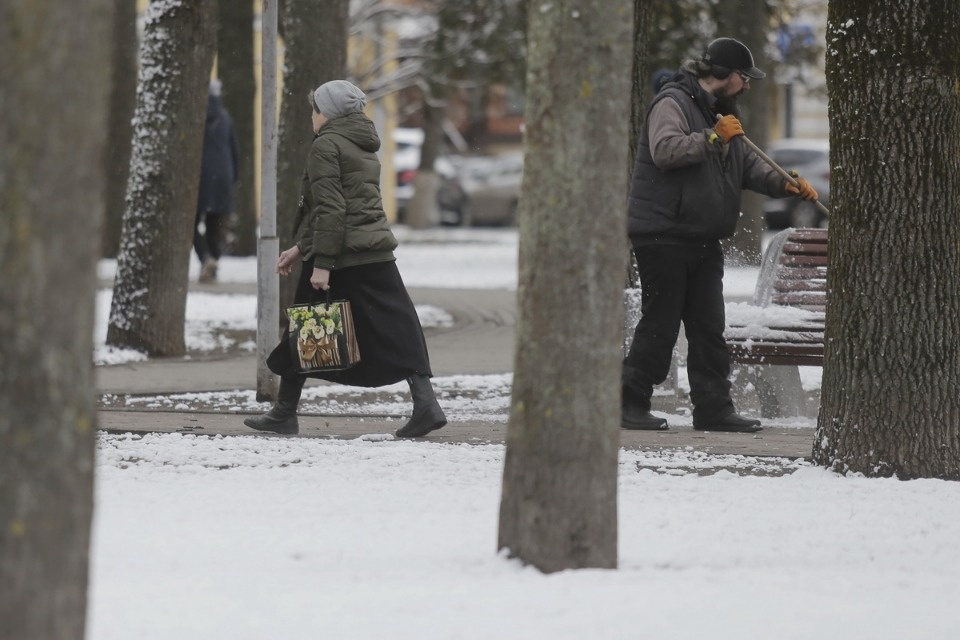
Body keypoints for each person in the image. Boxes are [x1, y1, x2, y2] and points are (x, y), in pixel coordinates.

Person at [623, 37, 819, 432]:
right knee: (660, 324)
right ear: (722, 74)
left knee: (709, 328)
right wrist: (713, 138)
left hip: (702, 239)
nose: (747, 86)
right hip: (663, 235)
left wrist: (787, 185)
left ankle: (713, 408)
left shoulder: (720, 113)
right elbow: (665, 151)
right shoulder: (672, 103)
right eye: (743, 78)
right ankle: (627, 400)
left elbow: (749, 167)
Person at [244, 79, 447, 439]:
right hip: (374, 249)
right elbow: (346, 207)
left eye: (315, 109)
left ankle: (284, 412)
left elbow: (331, 209)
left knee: (305, 330)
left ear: (328, 114)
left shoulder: (326, 146)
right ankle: (426, 403)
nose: (312, 116)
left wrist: (321, 263)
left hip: (341, 255)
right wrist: (301, 248)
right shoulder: (362, 143)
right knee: (400, 325)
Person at [195, 79, 239, 283]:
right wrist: (233, 177)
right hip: (222, 176)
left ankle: (205, 258)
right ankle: (213, 258)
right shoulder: (225, 118)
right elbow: (235, 151)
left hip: (198, 177)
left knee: (191, 223)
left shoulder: (194, 117)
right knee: (215, 224)